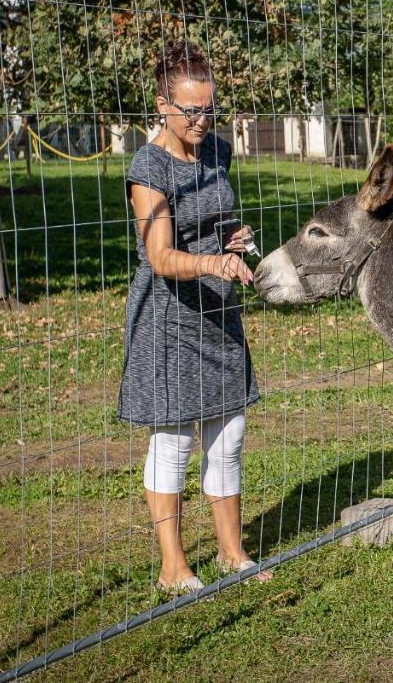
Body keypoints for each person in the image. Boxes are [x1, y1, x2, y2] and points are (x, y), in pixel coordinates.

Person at [119, 41, 271, 592]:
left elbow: (215, 216)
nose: (201, 120)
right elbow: (159, 257)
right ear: (161, 104)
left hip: (218, 309)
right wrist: (213, 260)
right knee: (175, 442)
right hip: (171, 316)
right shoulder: (148, 167)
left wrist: (234, 237)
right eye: (190, 110)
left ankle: (233, 554)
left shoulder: (216, 151)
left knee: (228, 432)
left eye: (208, 109)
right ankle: (173, 566)